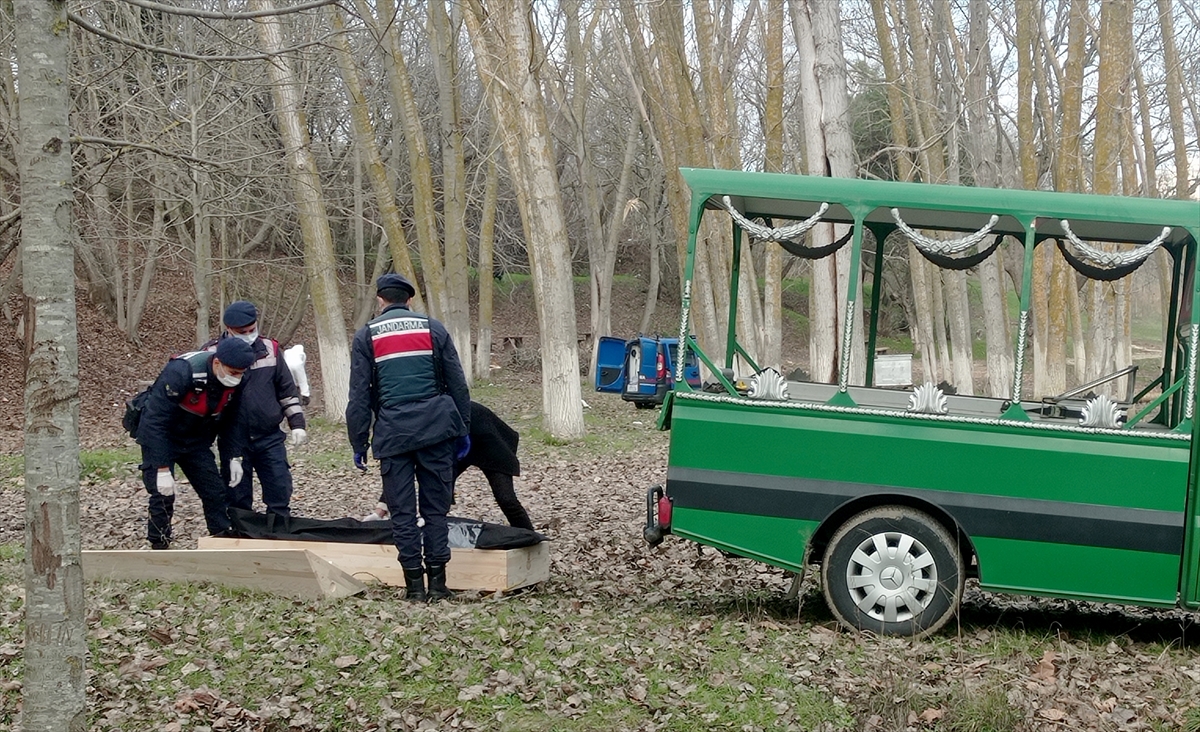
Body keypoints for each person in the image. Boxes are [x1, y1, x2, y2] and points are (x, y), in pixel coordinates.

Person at [347, 273, 472, 602]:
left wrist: (358, 442)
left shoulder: (366, 337)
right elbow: (457, 384)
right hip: (436, 431)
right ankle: (439, 586)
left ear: (380, 300)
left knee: (402, 513)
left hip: (393, 435)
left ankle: (414, 588)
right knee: (435, 512)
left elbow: (359, 397)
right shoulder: (433, 329)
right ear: (410, 300)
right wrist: (463, 428)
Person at [135, 338, 256, 549]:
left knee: (215, 492)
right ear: (217, 363)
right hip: (163, 436)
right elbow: (154, 422)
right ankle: (159, 545)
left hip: (195, 440)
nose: (237, 377)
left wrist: (235, 456)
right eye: (233, 372)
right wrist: (162, 467)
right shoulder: (182, 371)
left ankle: (220, 539)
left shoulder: (238, 381)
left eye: (241, 372)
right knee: (163, 494)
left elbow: (234, 421)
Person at [204, 300, 308, 518]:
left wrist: (297, 424)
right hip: (233, 439)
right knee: (237, 495)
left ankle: (280, 532)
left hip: (269, 435)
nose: (250, 334)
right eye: (243, 332)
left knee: (279, 487)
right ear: (229, 330)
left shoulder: (270, 350)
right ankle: (242, 538)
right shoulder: (212, 353)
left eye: (253, 329)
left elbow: (286, 390)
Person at [362, 401, 534, 531]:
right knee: (437, 490)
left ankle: (531, 538)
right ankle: (435, 537)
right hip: (452, 447)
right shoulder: (412, 431)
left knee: (506, 498)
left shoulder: (428, 420)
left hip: (487, 440)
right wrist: (381, 510)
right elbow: (404, 469)